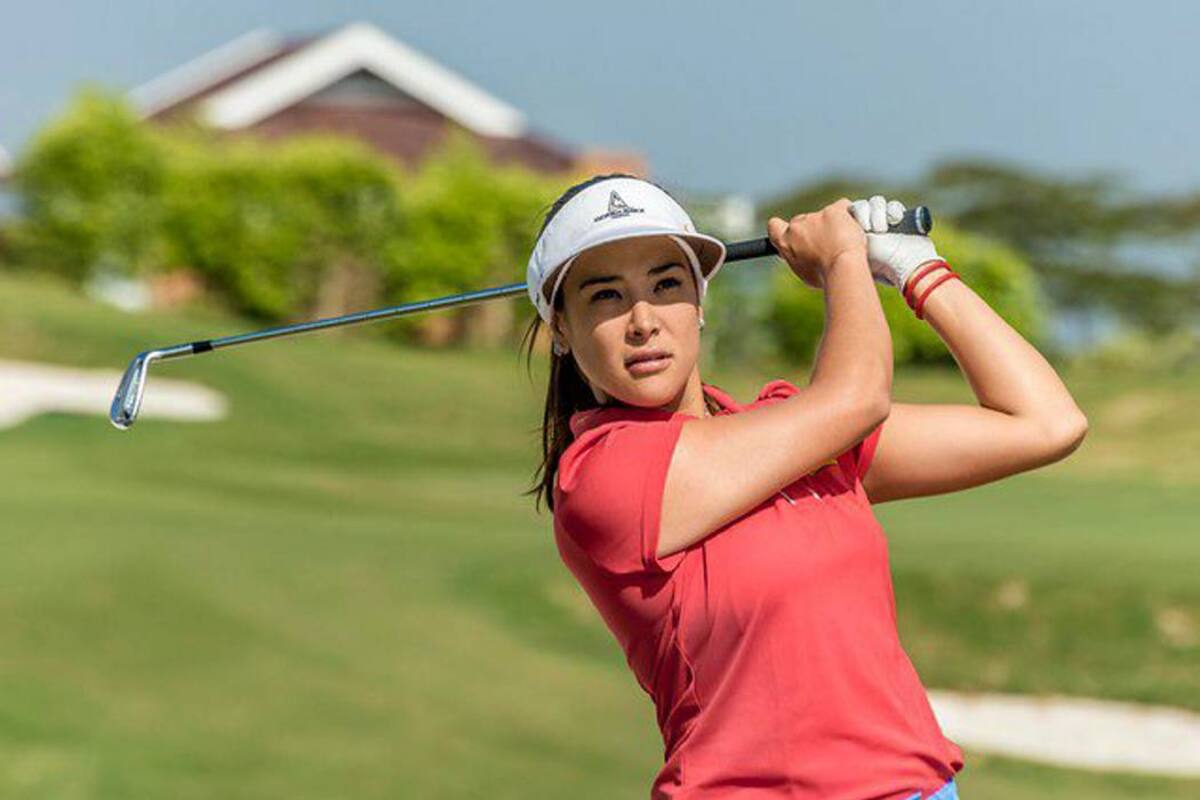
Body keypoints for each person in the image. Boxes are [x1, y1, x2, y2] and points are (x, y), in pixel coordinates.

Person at [519, 173, 1088, 799]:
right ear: (561, 329)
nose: (644, 321)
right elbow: (856, 398)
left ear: (700, 301)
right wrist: (844, 259)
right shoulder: (602, 477)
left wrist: (917, 270)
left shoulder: (800, 435)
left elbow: (1045, 423)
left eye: (666, 284)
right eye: (606, 296)